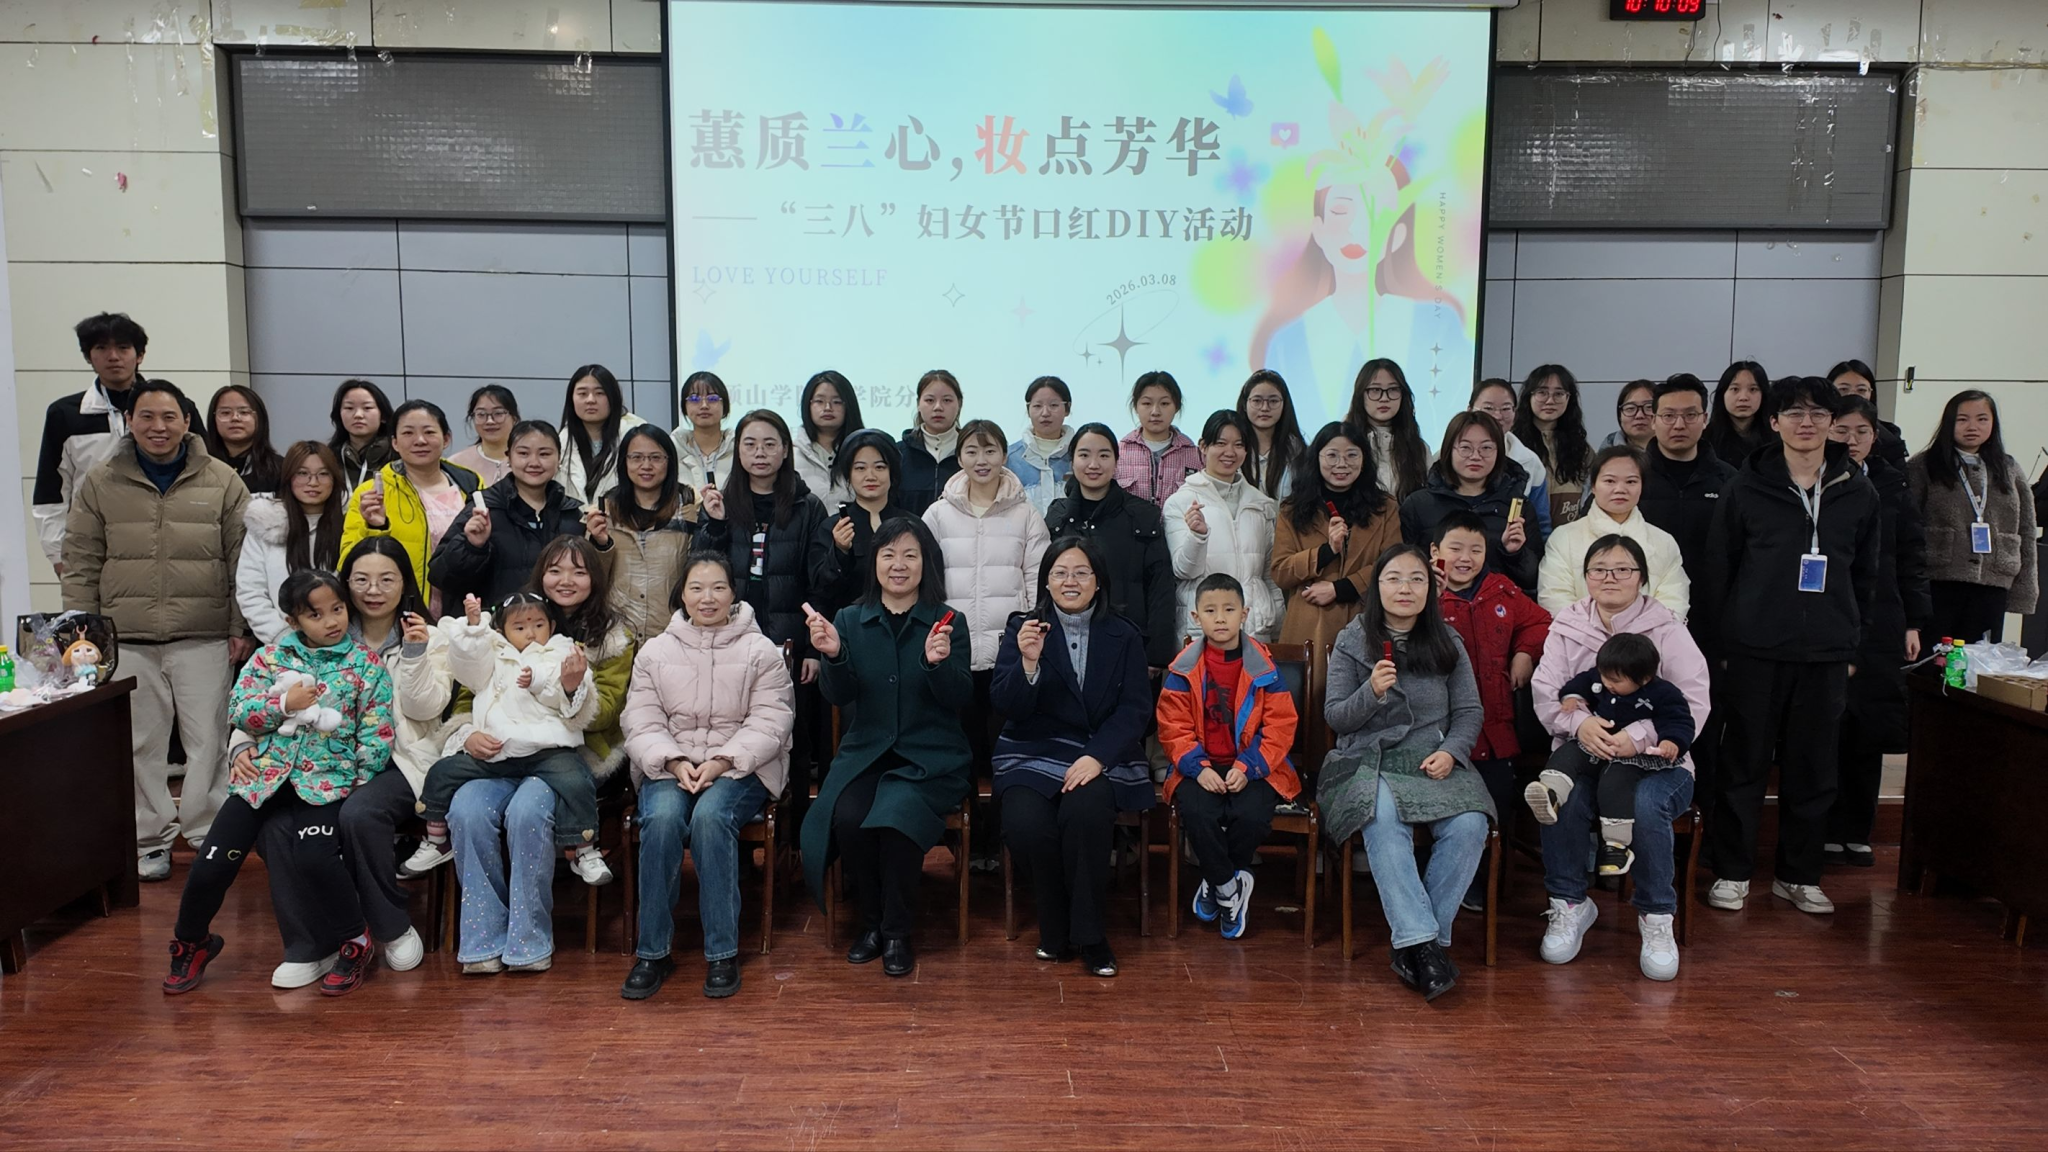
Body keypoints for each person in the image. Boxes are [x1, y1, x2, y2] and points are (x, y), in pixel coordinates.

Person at [160, 570, 394, 996]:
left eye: (337, 609)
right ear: (292, 620)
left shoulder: (366, 664)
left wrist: (360, 778)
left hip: (325, 783)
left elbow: (376, 729)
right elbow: (239, 710)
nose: (331, 621)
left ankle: (355, 940)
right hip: (262, 779)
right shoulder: (269, 659)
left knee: (316, 857)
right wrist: (284, 704)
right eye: (315, 614)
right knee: (211, 863)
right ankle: (191, 942)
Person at [1701, 377, 1880, 917]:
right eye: (1795, 413)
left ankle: (1798, 876)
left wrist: (1853, 647)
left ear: (1833, 423)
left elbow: (1868, 577)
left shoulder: (1858, 491)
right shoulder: (1745, 487)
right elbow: (1720, 569)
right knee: (1743, 765)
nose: (1807, 423)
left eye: (1818, 414)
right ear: (1774, 422)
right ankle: (1733, 871)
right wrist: (1722, 646)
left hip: (1826, 653)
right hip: (1754, 649)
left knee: (1815, 770)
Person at [62, 378, 250, 882]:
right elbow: (81, 560)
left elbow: (242, 559)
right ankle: (150, 840)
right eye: (146, 416)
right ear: (130, 421)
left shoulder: (222, 480)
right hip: (126, 638)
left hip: (204, 634)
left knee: (208, 740)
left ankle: (208, 831)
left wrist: (239, 627)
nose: (158, 427)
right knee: (140, 744)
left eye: (169, 417)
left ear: (187, 422)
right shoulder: (100, 481)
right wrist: (85, 635)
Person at [444, 537, 636, 975]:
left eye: (579, 571)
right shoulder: (506, 620)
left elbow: (608, 710)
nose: (566, 580)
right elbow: (471, 689)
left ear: (595, 578)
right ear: (540, 574)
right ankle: (481, 939)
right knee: (467, 809)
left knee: (527, 811)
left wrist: (570, 689)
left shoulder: (613, 635)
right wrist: (468, 732)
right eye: (555, 570)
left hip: (571, 757)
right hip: (497, 752)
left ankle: (528, 939)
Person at [1527, 535, 1710, 981]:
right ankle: (1569, 904)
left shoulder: (1667, 628)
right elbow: (1548, 692)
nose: (1610, 578)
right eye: (1599, 569)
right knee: (1564, 797)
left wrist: (1637, 737)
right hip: (1586, 753)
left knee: (1647, 804)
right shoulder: (1567, 625)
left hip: (1657, 760)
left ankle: (1656, 915)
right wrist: (1580, 725)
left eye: (1623, 569)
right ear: (1585, 576)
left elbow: (1692, 703)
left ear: (1642, 577)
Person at [800, 518, 972, 977]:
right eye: (888, 555)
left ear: (926, 563)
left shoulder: (948, 621)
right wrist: (834, 655)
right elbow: (838, 695)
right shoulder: (849, 620)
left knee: (896, 814)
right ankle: (871, 923)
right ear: (874, 563)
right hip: (868, 753)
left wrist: (938, 665)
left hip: (931, 758)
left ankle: (897, 931)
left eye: (910, 555)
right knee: (849, 815)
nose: (899, 565)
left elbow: (959, 697)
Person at [620, 552, 795, 1001]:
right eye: (696, 588)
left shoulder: (761, 651)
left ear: (734, 593)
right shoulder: (655, 652)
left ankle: (722, 952)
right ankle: (652, 952)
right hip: (671, 764)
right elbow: (640, 720)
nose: (708, 598)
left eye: (718, 587)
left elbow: (771, 722)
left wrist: (721, 762)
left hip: (740, 766)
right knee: (661, 820)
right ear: (681, 594)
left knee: (711, 818)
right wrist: (673, 761)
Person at [1319, 544, 1489, 1002]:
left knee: (1471, 824)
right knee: (1381, 817)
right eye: (1393, 578)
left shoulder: (1447, 640)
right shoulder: (1353, 640)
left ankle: (1418, 945)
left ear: (1430, 587)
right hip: (1367, 758)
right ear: (1377, 587)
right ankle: (1425, 947)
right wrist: (1370, 692)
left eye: (1416, 579)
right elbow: (1336, 718)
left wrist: (1452, 752)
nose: (1405, 588)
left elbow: (1469, 711)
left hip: (1433, 756)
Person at [990, 540, 1155, 974]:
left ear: (1098, 582)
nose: (1070, 582)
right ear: (1045, 581)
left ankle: (1091, 936)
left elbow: (1136, 709)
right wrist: (1028, 664)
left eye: (1081, 573)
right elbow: (1006, 705)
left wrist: (1098, 757)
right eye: (1060, 573)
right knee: (1026, 824)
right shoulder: (1023, 628)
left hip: (1099, 750)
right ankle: (1055, 927)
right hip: (1033, 750)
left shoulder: (1124, 634)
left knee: (1085, 811)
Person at [403, 591, 611, 883]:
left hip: (548, 749)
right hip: (496, 749)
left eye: (538, 625)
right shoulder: (491, 651)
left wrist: (563, 684)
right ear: (501, 630)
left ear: (551, 626)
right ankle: (437, 839)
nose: (531, 633)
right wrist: (474, 629)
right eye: (520, 627)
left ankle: (584, 849)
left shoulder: (562, 651)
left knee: (577, 780)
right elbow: (469, 669)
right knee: (442, 771)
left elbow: (565, 699)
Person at [322, 536, 442, 983]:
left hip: (402, 759)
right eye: (362, 580)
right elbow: (271, 684)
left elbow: (425, 710)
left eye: (386, 579)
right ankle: (315, 936)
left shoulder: (431, 635)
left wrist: (414, 654)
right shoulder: (323, 633)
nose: (373, 590)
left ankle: (390, 926)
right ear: (345, 583)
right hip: (328, 757)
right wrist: (242, 745)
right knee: (279, 821)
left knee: (360, 814)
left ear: (405, 582)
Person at [1155, 572, 1300, 940]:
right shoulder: (1182, 668)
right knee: (1198, 813)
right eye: (1210, 611)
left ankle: (1215, 880)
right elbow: (1172, 727)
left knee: (1251, 815)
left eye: (1229, 609)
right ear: (1195, 617)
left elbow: (1281, 725)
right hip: (1199, 764)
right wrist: (1197, 767)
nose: (1220, 618)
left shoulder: (1265, 667)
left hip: (1255, 764)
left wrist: (1248, 766)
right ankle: (1229, 887)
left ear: (1244, 614)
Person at [1825, 397, 1931, 869]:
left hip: (1883, 616)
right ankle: (1823, 829)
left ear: (1875, 436)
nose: (1851, 440)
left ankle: (1856, 830)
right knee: (1829, 727)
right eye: (1842, 430)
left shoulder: (1893, 484)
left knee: (1868, 729)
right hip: (1831, 614)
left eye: (1861, 431)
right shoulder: (1819, 480)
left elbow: (1913, 557)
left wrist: (1914, 621)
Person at [1430, 511, 1550, 905]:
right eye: (1455, 548)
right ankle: (1440, 886)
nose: (1466, 558)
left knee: (1495, 809)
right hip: (1441, 731)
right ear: (1435, 551)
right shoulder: (1421, 593)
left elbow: (1541, 622)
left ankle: (1484, 886)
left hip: (1496, 729)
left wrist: (1525, 652)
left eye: (1476, 550)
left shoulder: (1502, 589)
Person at [923, 418, 1051, 786]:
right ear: (959, 457)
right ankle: (967, 822)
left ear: (1004, 456)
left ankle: (1003, 819)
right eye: (972, 451)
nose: (982, 460)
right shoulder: (937, 514)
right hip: (954, 650)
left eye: (990, 450)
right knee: (961, 754)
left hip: (1006, 652)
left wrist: (1030, 632)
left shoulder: (1025, 514)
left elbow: (1037, 580)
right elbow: (925, 581)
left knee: (1003, 755)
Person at [33, 312, 202, 573]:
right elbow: (51, 489)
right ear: (88, 356)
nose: (113, 356)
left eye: (123, 348)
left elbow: (205, 473)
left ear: (140, 354)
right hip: (93, 540)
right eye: (101, 348)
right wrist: (57, 554)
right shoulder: (65, 414)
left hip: (167, 538)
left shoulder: (177, 408)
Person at [695, 409, 830, 679]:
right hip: (729, 637)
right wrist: (717, 525)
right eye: (750, 444)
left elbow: (820, 583)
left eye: (769, 444)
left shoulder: (808, 507)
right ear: (738, 451)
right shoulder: (720, 504)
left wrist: (813, 650)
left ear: (785, 450)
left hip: (790, 640)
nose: (760, 453)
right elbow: (700, 571)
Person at [1549, 633, 1697, 876]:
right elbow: (1580, 683)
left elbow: (1679, 720)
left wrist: (1671, 741)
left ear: (1644, 679)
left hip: (1634, 757)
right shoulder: (1600, 677)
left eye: (1615, 680)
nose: (1607, 683)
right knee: (1567, 752)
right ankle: (1551, 792)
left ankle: (1617, 846)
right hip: (1599, 745)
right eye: (1604, 676)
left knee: (1615, 782)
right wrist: (1572, 697)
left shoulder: (1663, 693)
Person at [1270, 421, 1401, 686]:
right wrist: (1326, 551)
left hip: (1366, 619)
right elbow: (1280, 571)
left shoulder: (1385, 507)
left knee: (1366, 698)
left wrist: (1341, 589)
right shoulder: (1293, 509)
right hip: (1310, 625)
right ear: (1316, 458)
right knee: (1309, 701)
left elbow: (1392, 565)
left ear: (1364, 460)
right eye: (1332, 455)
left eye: (1352, 455)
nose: (1342, 464)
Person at [1907, 389, 2039, 645]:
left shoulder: (2009, 468)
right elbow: (1908, 525)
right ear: (1948, 423)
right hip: (1938, 578)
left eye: (1982, 419)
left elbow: (2026, 528)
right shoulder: (1923, 465)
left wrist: (2025, 589)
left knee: (1981, 658)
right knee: (1936, 657)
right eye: (1962, 419)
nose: (1972, 427)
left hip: (1993, 580)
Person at [1045, 423, 1179, 667]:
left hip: (1130, 648)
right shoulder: (1057, 517)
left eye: (1104, 455)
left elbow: (1161, 588)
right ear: (1072, 461)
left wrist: (1156, 655)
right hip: (1064, 648)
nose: (1094, 464)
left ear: (1117, 461)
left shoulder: (1142, 515)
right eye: (1084, 455)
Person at [341, 399, 483, 612]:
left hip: (464, 609)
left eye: (429, 432)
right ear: (395, 443)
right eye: (408, 433)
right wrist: (376, 528)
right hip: (400, 610)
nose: (420, 440)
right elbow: (347, 563)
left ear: (446, 439)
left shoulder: (471, 484)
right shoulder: (371, 494)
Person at [429, 419, 586, 609]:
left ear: (559, 459)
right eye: (523, 453)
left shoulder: (571, 514)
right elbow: (440, 577)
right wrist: (472, 547)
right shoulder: (484, 508)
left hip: (555, 624)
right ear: (509, 458)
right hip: (496, 623)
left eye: (544, 454)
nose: (534, 462)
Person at [1164, 410, 1285, 643]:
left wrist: (1279, 626)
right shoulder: (1181, 502)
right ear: (1203, 446)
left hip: (1256, 627)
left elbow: (1269, 576)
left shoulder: (1261, 504)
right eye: (1220, 443)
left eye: (1239, 445)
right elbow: (1183, 570)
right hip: (1203, 629)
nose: (1230, 452)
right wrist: (1197, 536)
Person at [1536, 445, 1690, 619]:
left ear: (1642, 486)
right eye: (1610, 481)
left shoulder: (1663, 541)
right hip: (1580, 634)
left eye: (1631, 482)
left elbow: (1674, 599)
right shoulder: (1564, 537)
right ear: (1593, 486)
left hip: (1650, 635)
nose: (1620, 489)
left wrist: (1641, 631)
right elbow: (1554, 597)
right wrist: (1593, 630)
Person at [1398, 412, 1541, 590]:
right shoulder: (1418, 505)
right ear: (1448, 450)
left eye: (1486, 448)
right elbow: (1402, 568)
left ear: (1499, 452)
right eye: (1465, 447)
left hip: (1499, 603)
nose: (1475, 456)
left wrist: (1515, 553)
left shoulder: (1517, 507)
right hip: (1437, 602)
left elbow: (1533, 580)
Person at [589, 425, 698, 648]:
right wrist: (600, 545)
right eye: (636, 457)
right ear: (624, 462)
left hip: (673, 636)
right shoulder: (603, 511)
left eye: (656, 458)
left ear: (670, 462)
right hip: (615, 640)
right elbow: (591, 580)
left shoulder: (689, 508)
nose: (646, 465)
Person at [238, 441, 345, 644]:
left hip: (344, 643)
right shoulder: (265, 524)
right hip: (282, 645)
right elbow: (251, 592)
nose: (313, 482)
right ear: (288, 477)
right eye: (302, 473)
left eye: (323, 474)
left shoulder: (349, 524)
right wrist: (285, 638)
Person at [1637, 374, 1737, 592]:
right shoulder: (1632, 475)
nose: (1679, 425)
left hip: (1713, 601)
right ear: (1653, 420)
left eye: (1690, 415)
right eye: (1668, 416)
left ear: (1705, 419)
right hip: (1645, 599)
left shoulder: (1729, 479)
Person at [811, 429, 912, 617]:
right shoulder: (831, 527)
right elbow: (821, 590)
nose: (870, 476)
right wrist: (840, 551)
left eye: (880, 467)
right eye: (860, 468)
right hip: (848, 627)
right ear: (848, 475)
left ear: (893, 472)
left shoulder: (912, 525)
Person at [1471, 379, 1552, 539]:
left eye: (1506, 409)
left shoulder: (1530, 462)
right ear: (1470, 410)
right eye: (1488, 408)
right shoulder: (1447, 456)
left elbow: (1541, 525)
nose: (1497, 416)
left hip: (1512, 550)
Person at [1512, 364, 1591, 529]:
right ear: (1529, 396)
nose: (1550, 401)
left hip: (1569, 538)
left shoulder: (1581, 448)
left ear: (1569, 398)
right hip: (1524, 536)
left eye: (1559, 394)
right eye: (1542, 392)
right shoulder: (1513, 445)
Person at [1344, 359, 1431, 502]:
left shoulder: (1419, 448)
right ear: (1361, 395)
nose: (1384, 398)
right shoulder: (1344, 442)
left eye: (1393, 390)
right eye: (1375, 390)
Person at [557, 364, 646, 506]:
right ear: (571, 399)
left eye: (600, 393)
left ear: (613, 397)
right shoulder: (560, 443)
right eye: (582, 394)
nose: (590, 400)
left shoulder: (636, 438)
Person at [1116, 370, 1203, 508]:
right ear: (1136, 407)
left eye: (1164, 403)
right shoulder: (1119, 453)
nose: (1155, 412)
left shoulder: (1196, 455)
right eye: (1147, 403)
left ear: (1177, 407)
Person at [898, 368, 965, 513]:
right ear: (918, 403)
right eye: (929, 400)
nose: (938, 407)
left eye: (947, 400)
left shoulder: (970, 452)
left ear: (959, 404)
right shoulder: (899, 453)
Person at [1007, 375, 1076, 516]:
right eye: (1037, 406)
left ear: (1067, 408)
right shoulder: (1010, 458)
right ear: (1028, 410)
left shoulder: (1079, 454)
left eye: (1054, 405)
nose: (1045, 413)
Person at [794, 369, 863, 506]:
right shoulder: (791, 455)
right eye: (819, 401)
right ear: (808, 405)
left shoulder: (863, 451)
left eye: (837, 401)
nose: (827, 407)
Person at [1240, 369, 1307, 502]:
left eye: (1273, 401)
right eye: (1257, 401)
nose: (1265, 408)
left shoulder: (1298, 452)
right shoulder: (1233, 449)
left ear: (1284, 405)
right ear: (1245, 405)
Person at [204, 384, 283, 496]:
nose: (235, 418)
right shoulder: (200, 467)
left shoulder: (281, 469)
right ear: (213, 419)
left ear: (260, 418)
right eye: (225, 413)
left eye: (244, 412)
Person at [1827, 359, 1906, 468]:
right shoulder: (1814, 431)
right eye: (1843, 389)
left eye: (1861, 390)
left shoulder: (1890, 437)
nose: (1853, 395)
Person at [329, 379, 397, 491]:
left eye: (367, 408)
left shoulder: (399, 457)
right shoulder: (329, 459)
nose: (358, 415)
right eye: (349, 408)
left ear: (383, 416)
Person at [1702, 361, 1774, 467]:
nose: (1743, 397)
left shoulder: (1777, 440)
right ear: (1722, 394)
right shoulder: (1704, 440)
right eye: (1735, 389)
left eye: (1753, 389)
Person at [448, 385, 521, 487]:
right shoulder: (456, 464)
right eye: (481, 414)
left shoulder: (528, 460)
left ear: (514, 418)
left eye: (498, 413)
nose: (490, 421)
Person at [673, 370, 736, 489]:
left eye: (712, 399)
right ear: (684, 407)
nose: (704, 405)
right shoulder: (674, 449)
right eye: (694, 399)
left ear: (725, 405)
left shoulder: (738, 447)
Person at [1600, 380, 1657, 451]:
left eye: (1648, 407)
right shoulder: (1608, 448)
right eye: (1630, 408)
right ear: (1620, 416)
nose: (1639, 415)